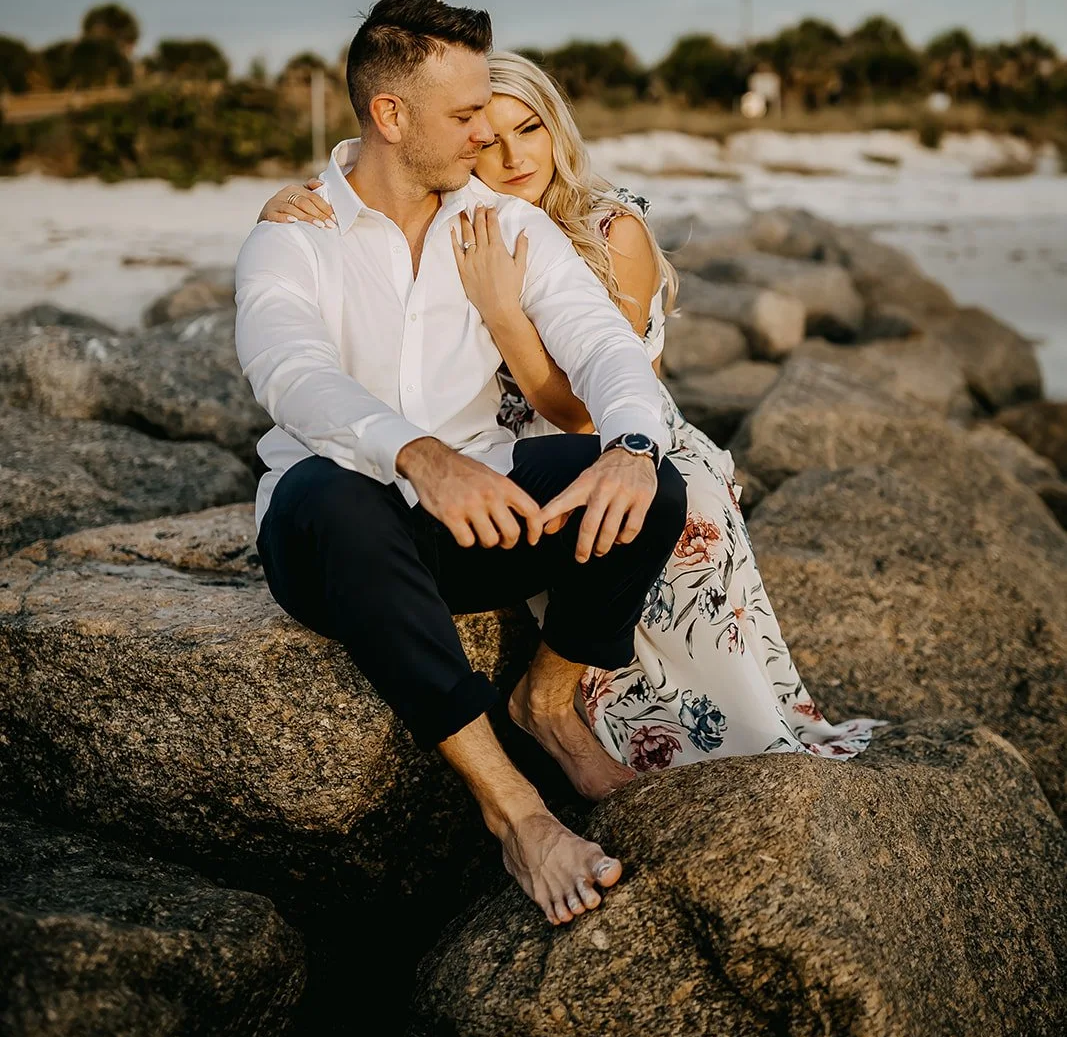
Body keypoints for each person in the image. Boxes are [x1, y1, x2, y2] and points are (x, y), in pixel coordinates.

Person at [261, 52, 881, 769]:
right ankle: (575, 716)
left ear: (555, 126)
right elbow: (368, 198)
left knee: (666, 518)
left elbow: (586, 411)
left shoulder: (606, 228)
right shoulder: (468, 220)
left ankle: (704, 744)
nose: (512, 154)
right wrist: (287, 204)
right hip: (517, 444)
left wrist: (501, 312)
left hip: (617, 433)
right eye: (486, 139)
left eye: (528, 128)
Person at [235, 0, 688, 930]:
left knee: (653, 486)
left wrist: (634, 446)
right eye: (466, 113)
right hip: (337, 537)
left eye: (490, 106)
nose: (486, 131)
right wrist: (416, 454)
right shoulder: (293, 236)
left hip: (481, 523)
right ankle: (515, 812)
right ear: (389, 117)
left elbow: (603, 346)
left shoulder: (504, 228)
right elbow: (289, 370)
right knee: (336, 494)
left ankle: (548, 700)